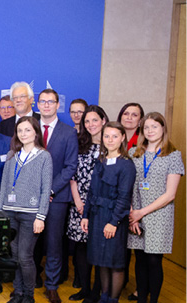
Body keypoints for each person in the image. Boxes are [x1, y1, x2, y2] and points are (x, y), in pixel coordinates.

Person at [128, 113, 183, 303]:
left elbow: (170, 194)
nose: (150, 131)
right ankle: (141, 298)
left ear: (163, 129)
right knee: (140, 259)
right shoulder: (134, 153)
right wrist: (133, 213)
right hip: (135, 213)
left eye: (154, 127)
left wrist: (141, 212)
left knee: (153, 260)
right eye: (146, 127)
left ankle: (154, 300)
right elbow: (128, 186)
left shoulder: (173, 155)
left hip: (159, 214)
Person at [0, 116, 52, 303]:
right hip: (10, 212)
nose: (23, 134)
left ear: (36, 132)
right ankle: (18, 293)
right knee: (14, 256)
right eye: (20, 131)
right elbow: (4, 185)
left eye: (27, 130)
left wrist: (41, 216)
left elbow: (46, 189)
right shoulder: (12, 155)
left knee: (25, 257)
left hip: (31, 215)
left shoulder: (44, 156)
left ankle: (29, 296)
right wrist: (0, 213)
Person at [79, 122, 135, 303]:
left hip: (113, 218)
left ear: (123, 138)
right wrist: (86, 215)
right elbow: (91, 191)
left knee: (115, 262)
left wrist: (114, 222)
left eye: (115, 136)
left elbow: (124, 197)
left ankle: (113, 299)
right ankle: (103, 297)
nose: (110, 140)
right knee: (100, 260)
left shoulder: (126, 165)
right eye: (107, 136)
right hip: (96, 216)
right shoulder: (100, 161)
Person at [32, 89, 79, 303]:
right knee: (28, 242)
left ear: (58, 105)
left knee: (53, 242)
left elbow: (70, 167)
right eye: (43, 101)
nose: (47, 105)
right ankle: (27, 281)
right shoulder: (29, 127)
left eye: (51, 102)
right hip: (30, 196)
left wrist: (50, 189)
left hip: (56, 197)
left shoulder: (68, 132)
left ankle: (51, 285)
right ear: (37, 104)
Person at [67, 105, 108, 301]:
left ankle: (96, 292)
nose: (91, 124)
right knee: (81, 249)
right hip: (79, 204)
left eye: (94, 120)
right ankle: (84, 288)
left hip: (101, 205)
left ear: (103, 121)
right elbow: (72, 174)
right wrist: (77, 200)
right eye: (87, 121)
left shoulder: (111, 146)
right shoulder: (78, 143)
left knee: (98, 249)